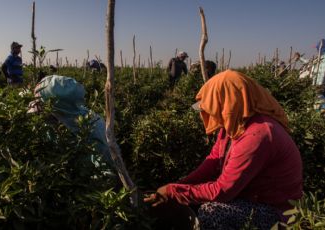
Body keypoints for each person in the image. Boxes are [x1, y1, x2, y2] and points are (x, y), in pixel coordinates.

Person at [144, 70, 303, 230]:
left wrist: (174, 193)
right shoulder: (233, 125)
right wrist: (177, 187)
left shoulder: (258, 135)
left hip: (277, 211)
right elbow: (211, 164)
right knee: (194, 199)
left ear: (226, 103)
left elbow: (224, 190)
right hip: (250, 197)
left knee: (211, 211)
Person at [27, 75, 115, 175]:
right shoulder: (61, 120)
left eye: (44, 107)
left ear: (57, 108)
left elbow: (106, 173)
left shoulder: (92, 131)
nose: (41, 115)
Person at [294, 39, 325, 113]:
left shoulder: (320, 60)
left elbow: (309, 63)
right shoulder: (318, 59)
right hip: (318, 87)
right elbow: (308, 63)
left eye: (318, 49)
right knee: (318, 105)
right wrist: (300, 58)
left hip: (320, 86)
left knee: (319, 106)